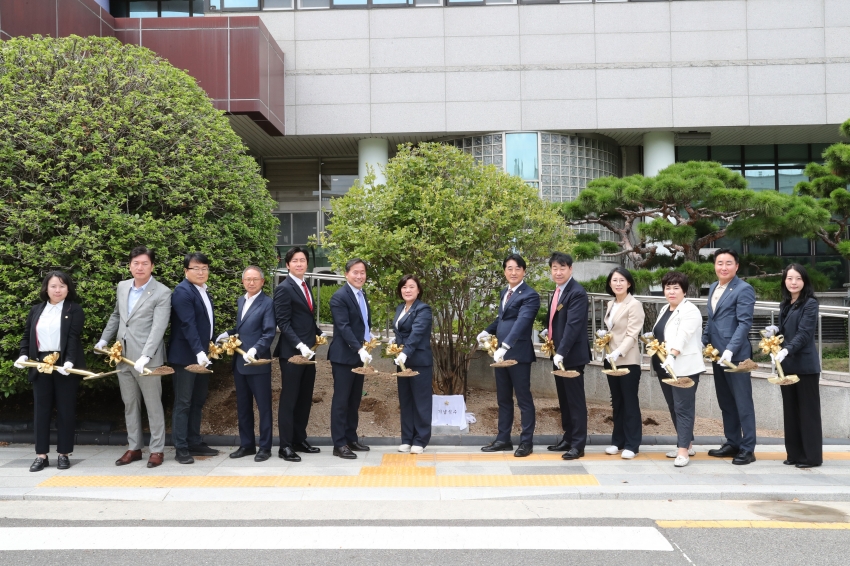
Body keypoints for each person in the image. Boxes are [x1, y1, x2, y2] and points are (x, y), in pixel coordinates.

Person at [96, 246, 172, 468]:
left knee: (153, 405)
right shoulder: (123, 286)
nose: (140, 267)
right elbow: (117, 316)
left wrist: (146, 355)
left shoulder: (162, 292)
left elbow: (158, 327)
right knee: (130, 403)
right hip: (122, 356)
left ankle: (157, 450)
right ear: (130, 265)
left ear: (152, 266)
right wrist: (104, 339)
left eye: (144, 263)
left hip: (147, 360)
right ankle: (134, 447)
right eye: (135, 263)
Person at [15, 271, 86, 472]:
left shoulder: (74, 309)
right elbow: (27, 336)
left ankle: (64, 453)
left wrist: (69, 361)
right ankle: (41, 455)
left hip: (64, 364)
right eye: (53, 286)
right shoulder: (36, 310)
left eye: (62, 286)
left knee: (66, 409)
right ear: (46, 288)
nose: (57, 290)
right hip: (40, 363)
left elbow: (73, 337)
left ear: (68, 289)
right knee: (41, 410)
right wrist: (23, 355)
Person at [477, 254, 541, 457]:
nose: (513, 272)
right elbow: (502, 319)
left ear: (524, 271)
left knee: (523, 399)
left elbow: (522, 322)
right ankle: (503, 439)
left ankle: (526, 442)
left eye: (517, 268)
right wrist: (487, 330)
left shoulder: (530, 295)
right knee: (503, 399)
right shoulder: (505, 292)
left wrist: (504, 346)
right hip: (501, 355)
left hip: (518, 354)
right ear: (504, 271)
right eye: (509, 268)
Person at [702, 248, 757, 465]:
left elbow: (744, 323)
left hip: (736, 356)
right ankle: (733, 442)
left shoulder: (744, 289)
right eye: (720, 263)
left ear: (737, 266)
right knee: (726, 401)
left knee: (743, 403)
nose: (723, 267)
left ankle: (748, 448)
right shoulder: (714, 287)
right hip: (717, 354)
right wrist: (703, 341)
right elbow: (712, 319)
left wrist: (731, 349)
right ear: (714, 265)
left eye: (728, 263)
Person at [217, 266, 276, 463]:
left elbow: (269, 332)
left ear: (262, 281)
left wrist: (255, 349)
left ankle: (265, 447)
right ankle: (247, 444)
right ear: (242, 281)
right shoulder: (241, 300)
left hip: (257, 363)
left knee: (263, 407)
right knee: (243, 406)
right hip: (240, 363)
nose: (251, 282)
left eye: (255, 279)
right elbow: (242, 328)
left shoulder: (267, 303)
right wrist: (228, 333)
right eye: (247, 279)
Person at [273, 247, 324, 462]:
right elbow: (283, 322)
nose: (300, 264)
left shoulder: (305, 285)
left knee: (304, 397)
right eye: (295, 261)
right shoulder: (284, 288)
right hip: (292, 353)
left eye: (302, 260)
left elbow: (305, 317)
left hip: (309, 352)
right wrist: (300, 344)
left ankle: (298, 439)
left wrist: (318, 333)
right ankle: (285, 446)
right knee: (290, 399)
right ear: (287, 265)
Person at [770, 264, 822, 468]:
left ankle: (811, 457)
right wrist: (775, 332)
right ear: (784, 280)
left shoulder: (810, 303)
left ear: (804, 281)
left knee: (808, 412)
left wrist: (786, 350)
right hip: (787, 365)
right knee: (790, 411)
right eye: (790, 278)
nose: (793, 282)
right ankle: (794, 453)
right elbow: (787, 330)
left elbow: (804, 333)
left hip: (805, 366)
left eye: (798, 278)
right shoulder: (786, 303)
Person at [169, 252, 219, 464]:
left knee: (198, 400)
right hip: (186, 357)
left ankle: (194, 441)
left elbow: (205, 324)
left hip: (203, 356)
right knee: (183, 402)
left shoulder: (203, 291)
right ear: (185, 271)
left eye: (204, 268)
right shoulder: (182, 291)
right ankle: (181, 447)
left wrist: (213, 342)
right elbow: (188, 324)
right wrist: (199, 351)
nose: (201, 272)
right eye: (196, 268)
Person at [652, 271, 706, 468]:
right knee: (674, 406)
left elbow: (683, 336)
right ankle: (687, 444)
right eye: (668, 288)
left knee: (683, 408)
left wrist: (673, 355)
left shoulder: (690, 310)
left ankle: (682, 451)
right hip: (664, 366)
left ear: (684, 290)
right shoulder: (665, 308)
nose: (671, 292)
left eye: (676, 288)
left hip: (683, 367)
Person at [543, 252, 591, 460]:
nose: (558, 272)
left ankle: (578, 445)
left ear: (570, 269)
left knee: (575, 401)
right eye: (554, 268)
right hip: (558, 354)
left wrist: (561, 352)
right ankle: (568, 437)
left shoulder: (577, 292)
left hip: (571, 355)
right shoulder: (558, 290)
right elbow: (556, 320)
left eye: (562, 268)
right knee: (564, 399)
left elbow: (573, 325)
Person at [327, 258, 373, 459]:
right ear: (346, 274)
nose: (359, 276)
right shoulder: (339, 297)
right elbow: (343, 326)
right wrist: (359, 348)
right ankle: (339, 444)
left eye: (362, 272)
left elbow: (363, 323)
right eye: (355, 272)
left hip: (359, 356)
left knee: (354, 399)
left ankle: (350, 438)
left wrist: (368, 340)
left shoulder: (362, 294)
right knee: (341, 400)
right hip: (343, 357)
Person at [601, 267, 645, 460]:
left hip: (627, 360)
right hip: (611, 359)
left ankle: (632, 444)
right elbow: (615, 330)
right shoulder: (611, 303)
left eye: (622, 280)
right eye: (614, 280)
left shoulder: (634, 304)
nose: (618, 284)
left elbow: (632, 333)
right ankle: (617, 441)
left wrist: (619, 351)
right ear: (610, 283)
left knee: (629, 401)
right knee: (617, 401)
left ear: (629, 283)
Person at [392, 275, 434, 454]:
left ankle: (420, 440)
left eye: (411, 287)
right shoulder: (400, 308)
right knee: (406, 400)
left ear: (418, 290)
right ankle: (407, 439)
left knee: (421, 402)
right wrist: (395, 344)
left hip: (419, 362)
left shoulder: (423, 309)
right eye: (404, 287)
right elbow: (401, 332)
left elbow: (417, 333)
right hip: (402, 362)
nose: (407, 290)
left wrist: (404, 353)